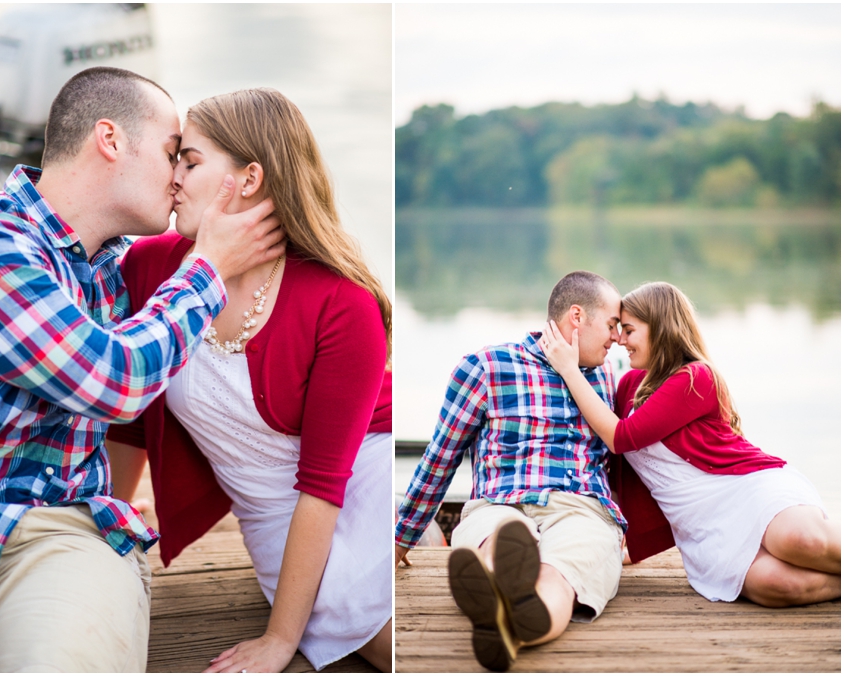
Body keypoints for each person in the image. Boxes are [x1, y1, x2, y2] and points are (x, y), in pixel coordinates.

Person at [0, 66, 285, 673]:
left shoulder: (130, 269)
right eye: (171, 153)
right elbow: (112, 379)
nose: (180, 177)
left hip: (66, 535)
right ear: (110, 140)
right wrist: (208, 269)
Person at [105, 88, 392, 673]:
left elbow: (324, 483)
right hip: (268, 512)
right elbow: (128, 422)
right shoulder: (150, 267)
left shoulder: (343, 303)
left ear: (249, 178)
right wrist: (103, 543)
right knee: (339, 606)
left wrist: (280, 640)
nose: (173, 179)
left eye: (190, 161)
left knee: (381, 631)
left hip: (355, 476)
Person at [539, 281, 841, 608]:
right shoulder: (629, 386)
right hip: (703, 528)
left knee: (800, 540)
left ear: (660, 328)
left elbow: (621, 437)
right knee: (778, 585)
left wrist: (569, 369)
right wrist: (622, 539)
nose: (620, 340)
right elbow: (615, 466)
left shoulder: (695, 377)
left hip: (746, 490)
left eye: (628, 330)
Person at [395, 271, 627, 672]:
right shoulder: (485, 366)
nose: (617, 338)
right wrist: (400, 541)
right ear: (577, 316)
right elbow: (442, 456)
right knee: (498, 541)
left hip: (581, 510)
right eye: (611, 325)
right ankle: (494, 588)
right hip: (498, 504)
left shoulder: (607, 375)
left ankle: (512, 626)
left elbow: (624, 456)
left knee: (558, 579)